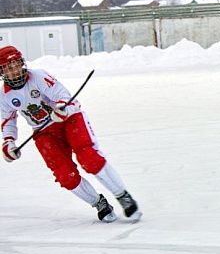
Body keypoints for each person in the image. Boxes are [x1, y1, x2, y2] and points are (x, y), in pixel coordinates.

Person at [0, 45, 140, 222]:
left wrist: (61, 108)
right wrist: (9, 141)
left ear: (22, 63)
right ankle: (98, 203)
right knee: (65, 175)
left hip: (69, 119)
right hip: (44, 132)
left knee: (89, 158)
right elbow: (8, 121)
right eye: (8, 68)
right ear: (2, 72)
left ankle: (122, 195)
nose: (15, 71)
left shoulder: (39, 76)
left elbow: (63, 95)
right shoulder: (3, 95)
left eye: (16, 64)